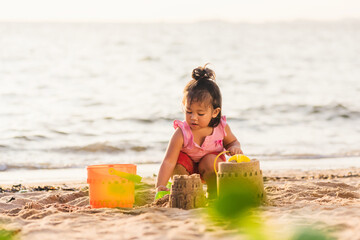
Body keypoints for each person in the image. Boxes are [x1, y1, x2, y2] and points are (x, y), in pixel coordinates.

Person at [156, 64, 243, 198]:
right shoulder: (181, 133)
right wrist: (160, 187)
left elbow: (233, 142)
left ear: (215, 112)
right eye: (189, 112)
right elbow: (168, 161)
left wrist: (235, 147)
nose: (193, 118)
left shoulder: (221, 127)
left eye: (200, 114)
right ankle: (186, 193)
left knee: (210, 161)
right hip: (186, 168)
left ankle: (214, 193)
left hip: (210, 167)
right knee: (177, 166)